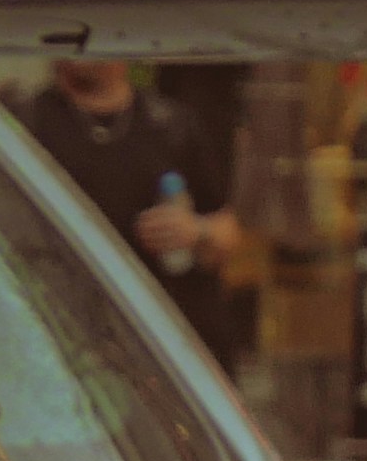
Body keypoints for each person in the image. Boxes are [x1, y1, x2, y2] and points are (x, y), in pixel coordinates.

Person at [21, 59, 254, 369]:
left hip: (167, 341)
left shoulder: (170, 124)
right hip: (65, 340)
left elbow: (227, 232)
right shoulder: (28, 122)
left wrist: (195, 231)